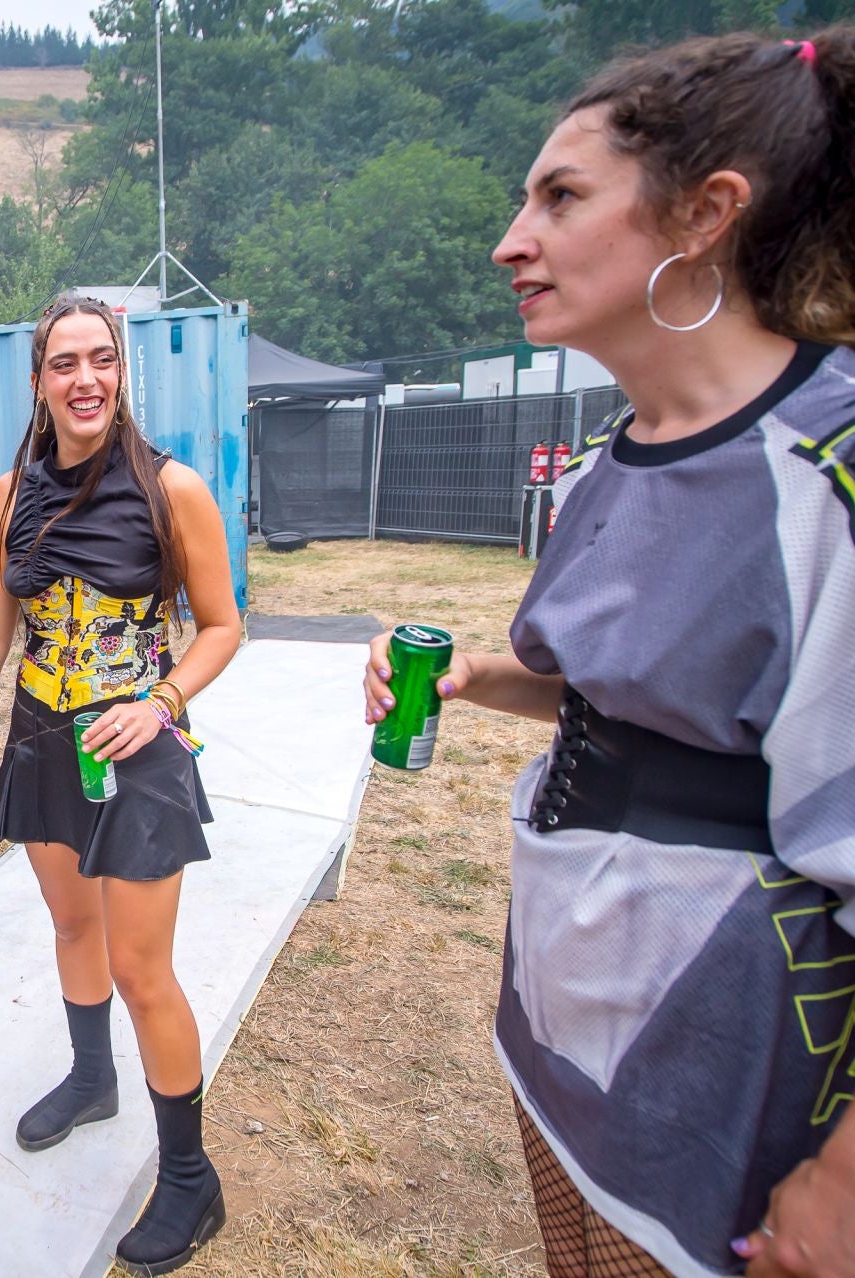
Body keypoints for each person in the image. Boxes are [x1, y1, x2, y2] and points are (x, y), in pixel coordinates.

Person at [363, 29, 855, 1278]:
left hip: (723, 1071)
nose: (509, 239)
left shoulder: (825, 475)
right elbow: (614, 698)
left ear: (706, 214)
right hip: (565, 1025)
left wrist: (846, 1176)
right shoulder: (600, 464)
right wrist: (478, 678)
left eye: (560, 197)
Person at [0, 295, 244, 1276]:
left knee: (143, 970)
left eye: (100, 360)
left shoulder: (171, 489)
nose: (84, 379)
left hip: (137, 749)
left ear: (121, 372)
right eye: (63, 362)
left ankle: (191, 1178)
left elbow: (225, 625)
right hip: (39, 736)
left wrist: (160, 704)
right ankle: (89, 1076)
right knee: (71, 929)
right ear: (38, 381)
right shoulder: (7, 494)